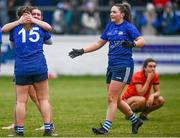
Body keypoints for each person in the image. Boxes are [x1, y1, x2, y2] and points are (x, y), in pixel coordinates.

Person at [69, 2, 145, 135]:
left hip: (124, 65)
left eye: (114, 12)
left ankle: (105, 128)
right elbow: (99, 43)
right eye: (110, 12)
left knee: (112, 98)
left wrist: (133, 43)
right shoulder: (110, 26)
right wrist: (82, 51)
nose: (111, 14)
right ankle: (135, 121)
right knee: (117, 99)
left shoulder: (128, 27)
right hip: (112, 66)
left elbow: (142, 41)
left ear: (122, 14)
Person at [1, 6, 54, 132]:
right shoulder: (40, 28)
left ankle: (19, 130)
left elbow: (4, 32)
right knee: (43, 99)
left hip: (22, 68)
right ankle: (48, 128)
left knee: (20, 101)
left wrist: (20, 22)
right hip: (39, 67)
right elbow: (49, 31)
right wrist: (33, 21)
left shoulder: (14, 29)